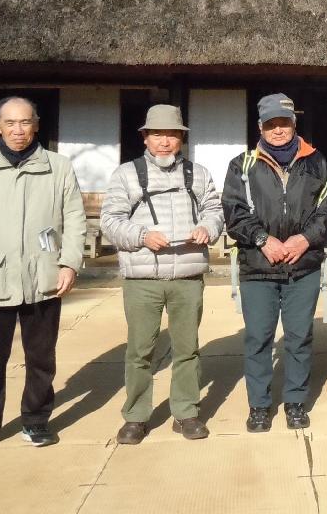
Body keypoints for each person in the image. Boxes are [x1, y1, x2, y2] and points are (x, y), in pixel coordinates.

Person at [0, 96, 85, 457]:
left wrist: (70, 263)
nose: (17, 130)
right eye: (10, 123)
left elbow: (73, 219)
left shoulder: (59, 167)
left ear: (36, 124)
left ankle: (36, 420)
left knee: (42, 357)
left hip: (44, 278)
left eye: (25, 122)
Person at [100, 104, 224, 445]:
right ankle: (136, 416)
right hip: (143, 278)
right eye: (157, 134)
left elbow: (215, 211)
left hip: (187, 275)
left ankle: (186, 411)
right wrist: (142, 236)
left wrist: (207, 229)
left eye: (172, 135)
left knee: (187, 348)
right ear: (145, 137)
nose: (165, 142)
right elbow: (110, 221)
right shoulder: (126, 174)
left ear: (181, 138)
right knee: (140, 350)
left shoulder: (197, 174)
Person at [222, 93, 327, 433]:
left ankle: (296, 401)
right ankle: (259, 405)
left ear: (293, 125)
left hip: (303, 265)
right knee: (258, 337)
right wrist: (262, 239)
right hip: (259, 265)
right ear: (260, 126)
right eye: (270, 124)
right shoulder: (242, 164)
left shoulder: (315, 161)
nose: (277, 130)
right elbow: (233, 211)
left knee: (299, 336)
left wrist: (304, 239)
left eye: (283, 123)